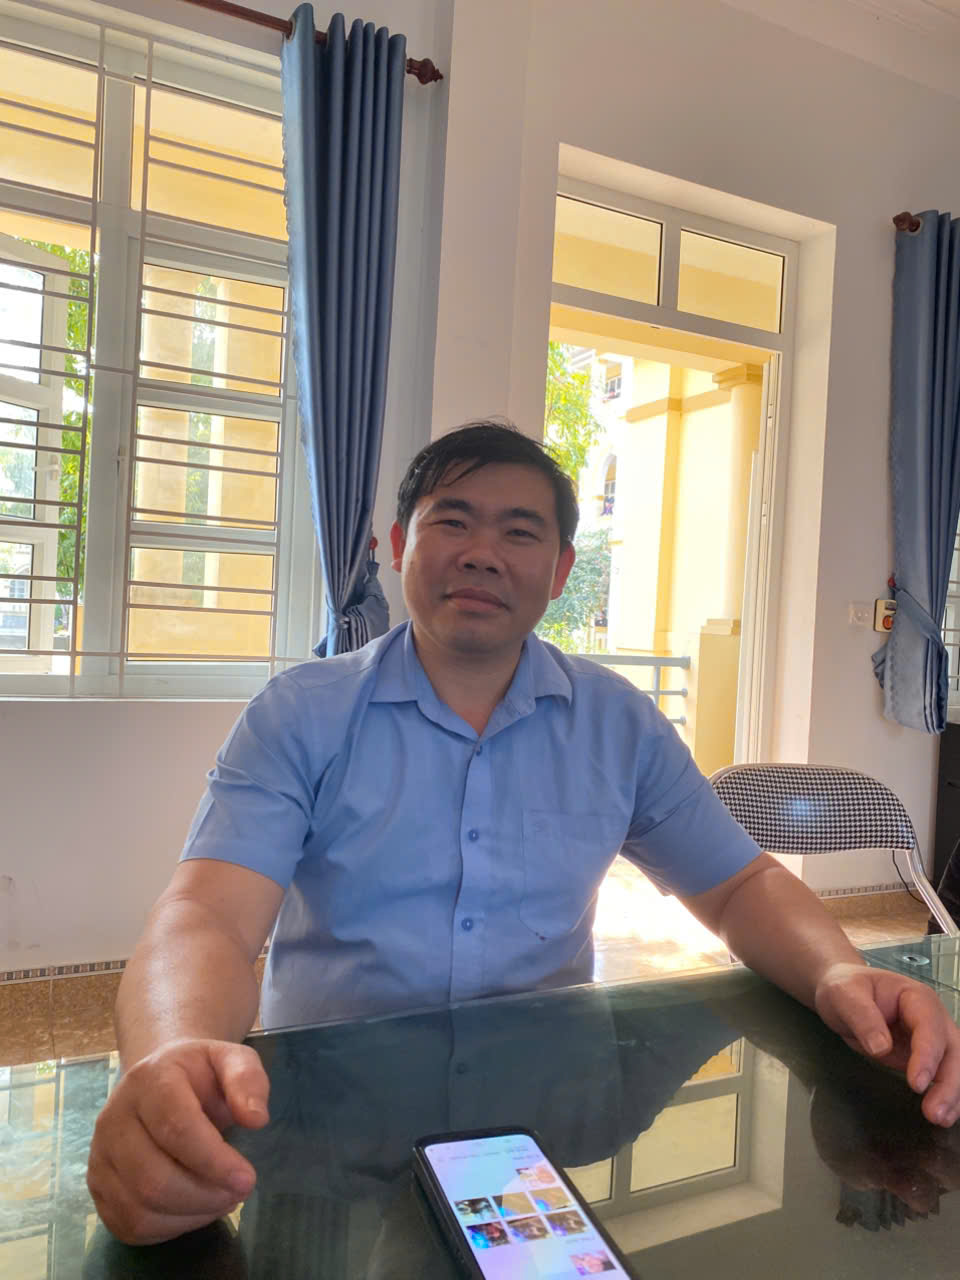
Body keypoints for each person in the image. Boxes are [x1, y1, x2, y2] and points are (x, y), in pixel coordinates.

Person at [87, 421, 960, 1245]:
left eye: (519, 532)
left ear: (560, 569)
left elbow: (740, 884)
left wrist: (840, 972)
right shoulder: (301, 715)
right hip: (326, 1129)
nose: (481, 553)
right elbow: (208, 917)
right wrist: (174, 1054)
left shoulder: (617, 724)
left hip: (531, 1132)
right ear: (397, 546)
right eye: (452, 521)